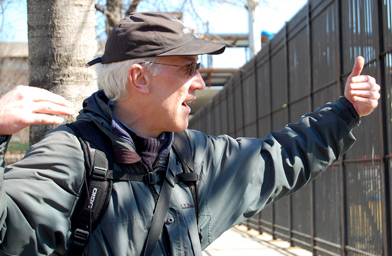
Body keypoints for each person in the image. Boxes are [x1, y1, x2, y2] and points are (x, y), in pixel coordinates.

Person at [0, 12, 380, 256]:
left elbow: (279, 157)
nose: (199, 81)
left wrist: (347, 111)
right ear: (139, 77)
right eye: (187, 68)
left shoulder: (194, 157)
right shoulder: (71, 155)